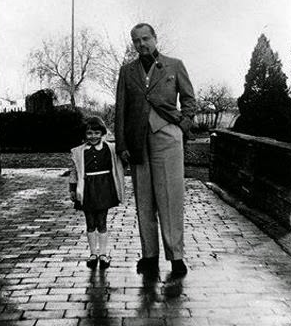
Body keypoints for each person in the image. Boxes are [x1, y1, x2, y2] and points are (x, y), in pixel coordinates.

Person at [114, 23, 196, 277]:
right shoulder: (127, 71)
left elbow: (190, 99)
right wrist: (122, 143)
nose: (142, 44)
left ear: (155, 38)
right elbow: (121, 110)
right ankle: (149, 255)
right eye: (136, 41)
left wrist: (182, 126)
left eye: (146, 39)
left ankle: (176, 257)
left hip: (167, 138)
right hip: (138, 141)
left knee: (171, 198)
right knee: (144, 200)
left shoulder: (174, 65)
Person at [69, 116, 125, 269]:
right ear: (84, 135)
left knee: (102, 220)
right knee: (90, 221)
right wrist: (72, 189)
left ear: (102, 133)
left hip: (104, 188)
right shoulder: (79, 152)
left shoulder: (110, 149)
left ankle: (103, 254)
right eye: (89, 133)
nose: (93, 136)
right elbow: (74, 171)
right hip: (87, 188)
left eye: (96, 133)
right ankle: (93, 253)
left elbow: (122, 161)